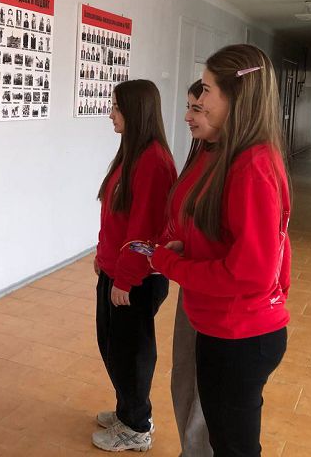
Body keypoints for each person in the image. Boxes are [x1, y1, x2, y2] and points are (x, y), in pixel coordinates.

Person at [150, 45, 291, 457]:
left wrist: (171, 263)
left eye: (208, 90)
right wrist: (188, 247)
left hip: (240, 334)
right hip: (223, 327)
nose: (199, 101)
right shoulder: (230, 155)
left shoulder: (252, 166)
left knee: (233, 446)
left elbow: (251, 273)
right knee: (225, 438)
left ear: (235, 97)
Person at [92, 79, 177, 453]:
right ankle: (127, 410)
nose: (111, 114)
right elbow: (115, 215)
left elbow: (143, 230)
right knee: (113, 346)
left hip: (136, 278)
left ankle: (137, 426)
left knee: (131, 353)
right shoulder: (132, 153)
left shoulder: (153, 161)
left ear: (136, 111)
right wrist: (103, 256)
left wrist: (125, 278)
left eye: (116, 107)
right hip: (116, 269)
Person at [166, 80, 218, 457]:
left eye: (198, 107)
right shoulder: (203, 153)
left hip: (214, 295)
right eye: (190, 106)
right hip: (193, 282)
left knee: (204, 390)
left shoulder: (242, 165)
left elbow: (252, 266)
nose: (188, 116)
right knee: (184, 377)